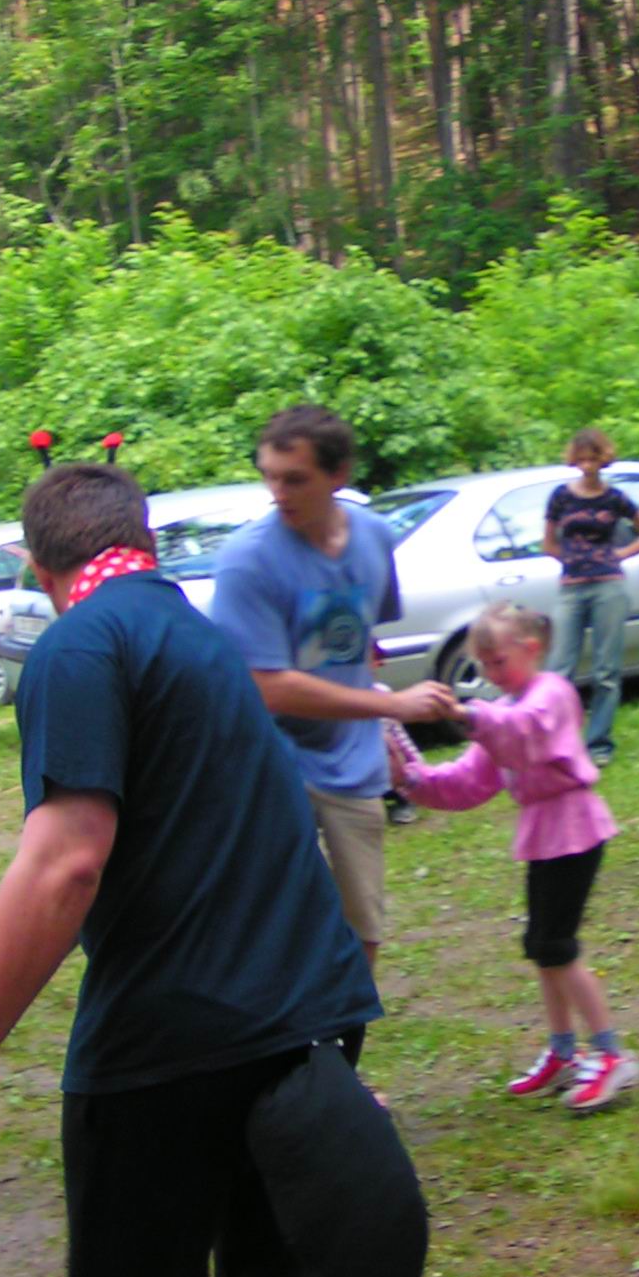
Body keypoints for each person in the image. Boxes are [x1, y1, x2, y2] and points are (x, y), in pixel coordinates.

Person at [0, 462, 426, 1277]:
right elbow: (178, 841)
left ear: (40, 568)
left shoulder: (81, 645)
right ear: (145, 542)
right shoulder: (205, 641)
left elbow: (67, 864)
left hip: (173, 1046)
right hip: (303, 1023)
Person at [209, 405, 455, 967]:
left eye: (295, 479)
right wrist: (391, 706)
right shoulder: (248, 560)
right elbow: (266, 687)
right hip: (267, 761)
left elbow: (356, 643)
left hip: (349, 760)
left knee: (363, 925)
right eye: (269, 477)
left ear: (339, 474)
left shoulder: (374, 536)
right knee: (277, 924)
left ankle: (346, 1024)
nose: (278, 493)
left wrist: (379, 726)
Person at [390, 603, 639, 1113]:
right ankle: (564, 1051)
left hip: (574, 830)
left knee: (557, 945)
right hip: (546, 835)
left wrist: (467, 714)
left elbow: (527, 733)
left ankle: (612, 1054)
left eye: (498, 661)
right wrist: (413, 778)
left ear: (531, 649)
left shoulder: (551, 695)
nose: (491, 673)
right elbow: (469, 779)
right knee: (542, 946)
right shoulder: (503, 710)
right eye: (483, 665)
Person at [542, 429, 639, 766]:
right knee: (559, 669)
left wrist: (619, 555)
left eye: (593, 458)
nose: (587, 465)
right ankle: (557, 743)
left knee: (606, 671)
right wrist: (570, 560)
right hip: (571, 588)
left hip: (609, 587)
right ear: (573, 460)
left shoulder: (615, 498)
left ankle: (598, 745)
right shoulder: (560, 497)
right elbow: (548, 544)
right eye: (581, 459)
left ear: (603, 459)